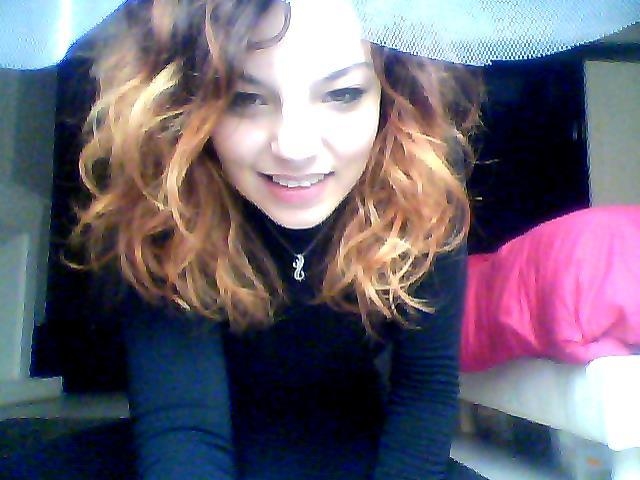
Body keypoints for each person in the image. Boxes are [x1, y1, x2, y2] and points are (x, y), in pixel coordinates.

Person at [68, 0, 486, 479]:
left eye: (342, 94)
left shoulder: (424, 189)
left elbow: (425, 390)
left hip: (360, 446)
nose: (294, 147)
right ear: (186, 105)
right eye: (246, 98)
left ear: (393, 97)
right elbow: (183, 425)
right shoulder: (163, 200)